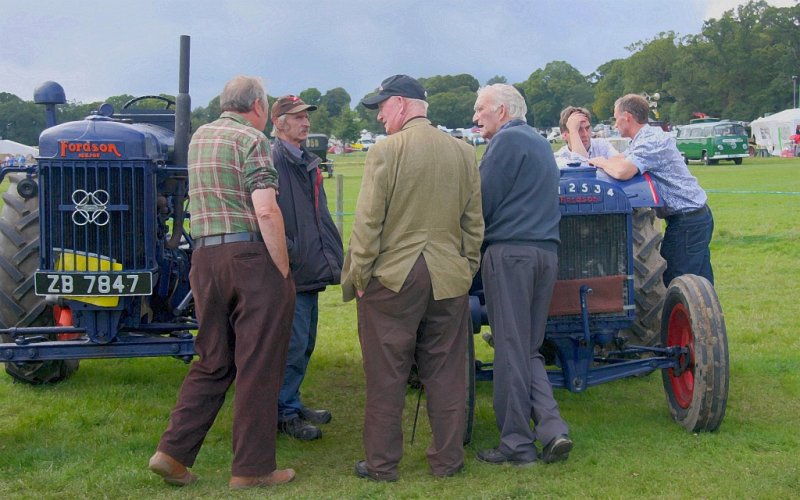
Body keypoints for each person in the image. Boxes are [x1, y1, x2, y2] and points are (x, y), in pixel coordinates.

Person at [149, 76, 296, 490]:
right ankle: (252, 469)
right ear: (259, 107)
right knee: (258, 364)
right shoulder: (252, 141)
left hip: (205, 258)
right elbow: (266, 210)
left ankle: (172, 453)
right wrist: (282, 269)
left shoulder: (199, 137)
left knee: (212, 360)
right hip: (250, 257)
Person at [342, 74, 483, 481]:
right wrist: (464, 268)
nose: (380, 116)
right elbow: (474, 226)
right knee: (447, 372)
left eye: (382, 107)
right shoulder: (462, 152)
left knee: (387, 374)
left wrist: (360, 275)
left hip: (393, 278)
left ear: (401, 104)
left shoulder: (386, 151)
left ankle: (382, 464)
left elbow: (368, 223)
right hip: (448, 276)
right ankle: (448, 461)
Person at [472, 83, 572, 467]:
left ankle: (516, 445)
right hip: (546, 253)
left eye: (480, 109)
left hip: (510, 255)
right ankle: (552, 429)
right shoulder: (540, 143)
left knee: (511, 351)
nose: (476, 117)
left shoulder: (506, 143)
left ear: (502, 111)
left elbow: (481, 201)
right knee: (528, 349)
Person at [270, 95, 343, 441]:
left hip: (308, 269)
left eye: (306, 117)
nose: (306, 122)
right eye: (298, 117)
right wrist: (292, 253)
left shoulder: (304, 160)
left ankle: (293, 402)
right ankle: (283, 413)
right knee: (292, 345)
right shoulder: (274, 159)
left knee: (305, 342)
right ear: (279, 122)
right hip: (291, 271)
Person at [589, 93, 714, 286]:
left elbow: (623, 171)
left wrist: (602, 163)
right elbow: (622, 159)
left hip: (687, 221)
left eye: (615, 118)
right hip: (693, 219)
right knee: (700, 282)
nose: (615, 124)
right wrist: (597, 161)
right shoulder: (644, 139)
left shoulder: (650, 141)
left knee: (676, 282)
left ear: (627, 117)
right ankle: (706, 316)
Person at [554, 106, 618, 167]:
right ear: (564, 135)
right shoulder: (559, 158)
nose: (585, 134)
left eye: (587, 128)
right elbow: (583, 170)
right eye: (578, 130)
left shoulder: (602, 145)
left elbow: (622, 168)